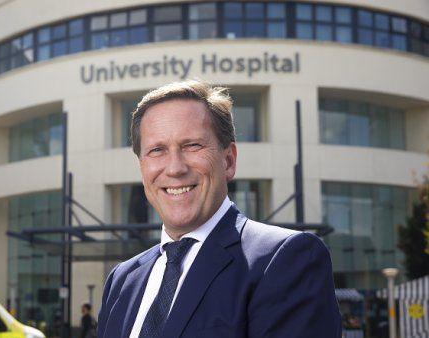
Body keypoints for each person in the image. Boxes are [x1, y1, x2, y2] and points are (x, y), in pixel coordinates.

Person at [97, 80, 342, 338]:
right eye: (157, 150)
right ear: (142, 168)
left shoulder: (287, 259)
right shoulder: (122, 280)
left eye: (192, 145)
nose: (175, 168)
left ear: (228, 161)